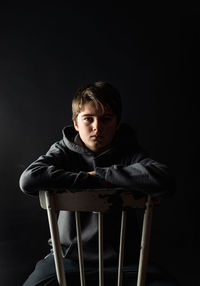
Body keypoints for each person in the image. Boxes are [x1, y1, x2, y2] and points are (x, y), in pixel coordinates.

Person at [19, 81, 177, 286]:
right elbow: (29, 179)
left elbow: (164, 178)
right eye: (88, 119)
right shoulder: (63, 151)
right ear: (76, 123)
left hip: (125, 260)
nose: (97, 127)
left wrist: (104, 174)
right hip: (68, 258)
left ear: (117, 123)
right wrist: (91, 179)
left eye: (106, 119)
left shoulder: (128, 152)